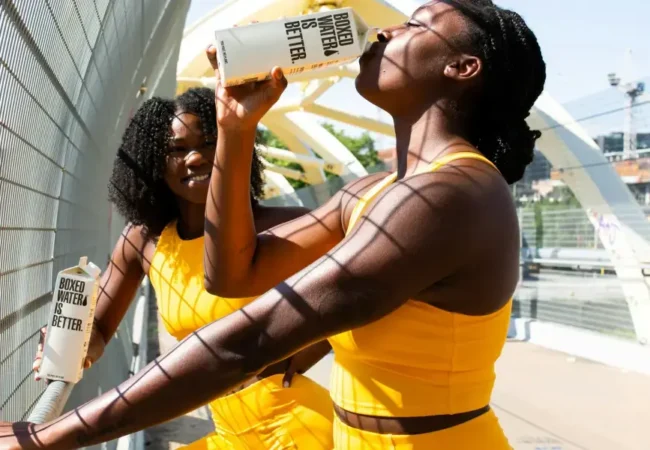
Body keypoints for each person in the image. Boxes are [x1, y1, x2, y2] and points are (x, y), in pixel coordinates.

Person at [1, 1, 545, 448]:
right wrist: (236, 127)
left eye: (414, 25)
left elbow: (252, 338)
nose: (385, 31)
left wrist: (49, 435)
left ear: (461, 67)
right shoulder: (372, 192)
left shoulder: (451, 196)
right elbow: (232, 276)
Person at [30, 87, 334, 450]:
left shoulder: (286, 226)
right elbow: (98, 328)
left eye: (209, 143)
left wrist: (303, 353)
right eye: (176, 149)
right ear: (152, 163)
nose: (196, 158)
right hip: (229, 432)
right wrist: (69, 341)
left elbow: (361, 291)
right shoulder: (144, 240)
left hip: (296, 426)